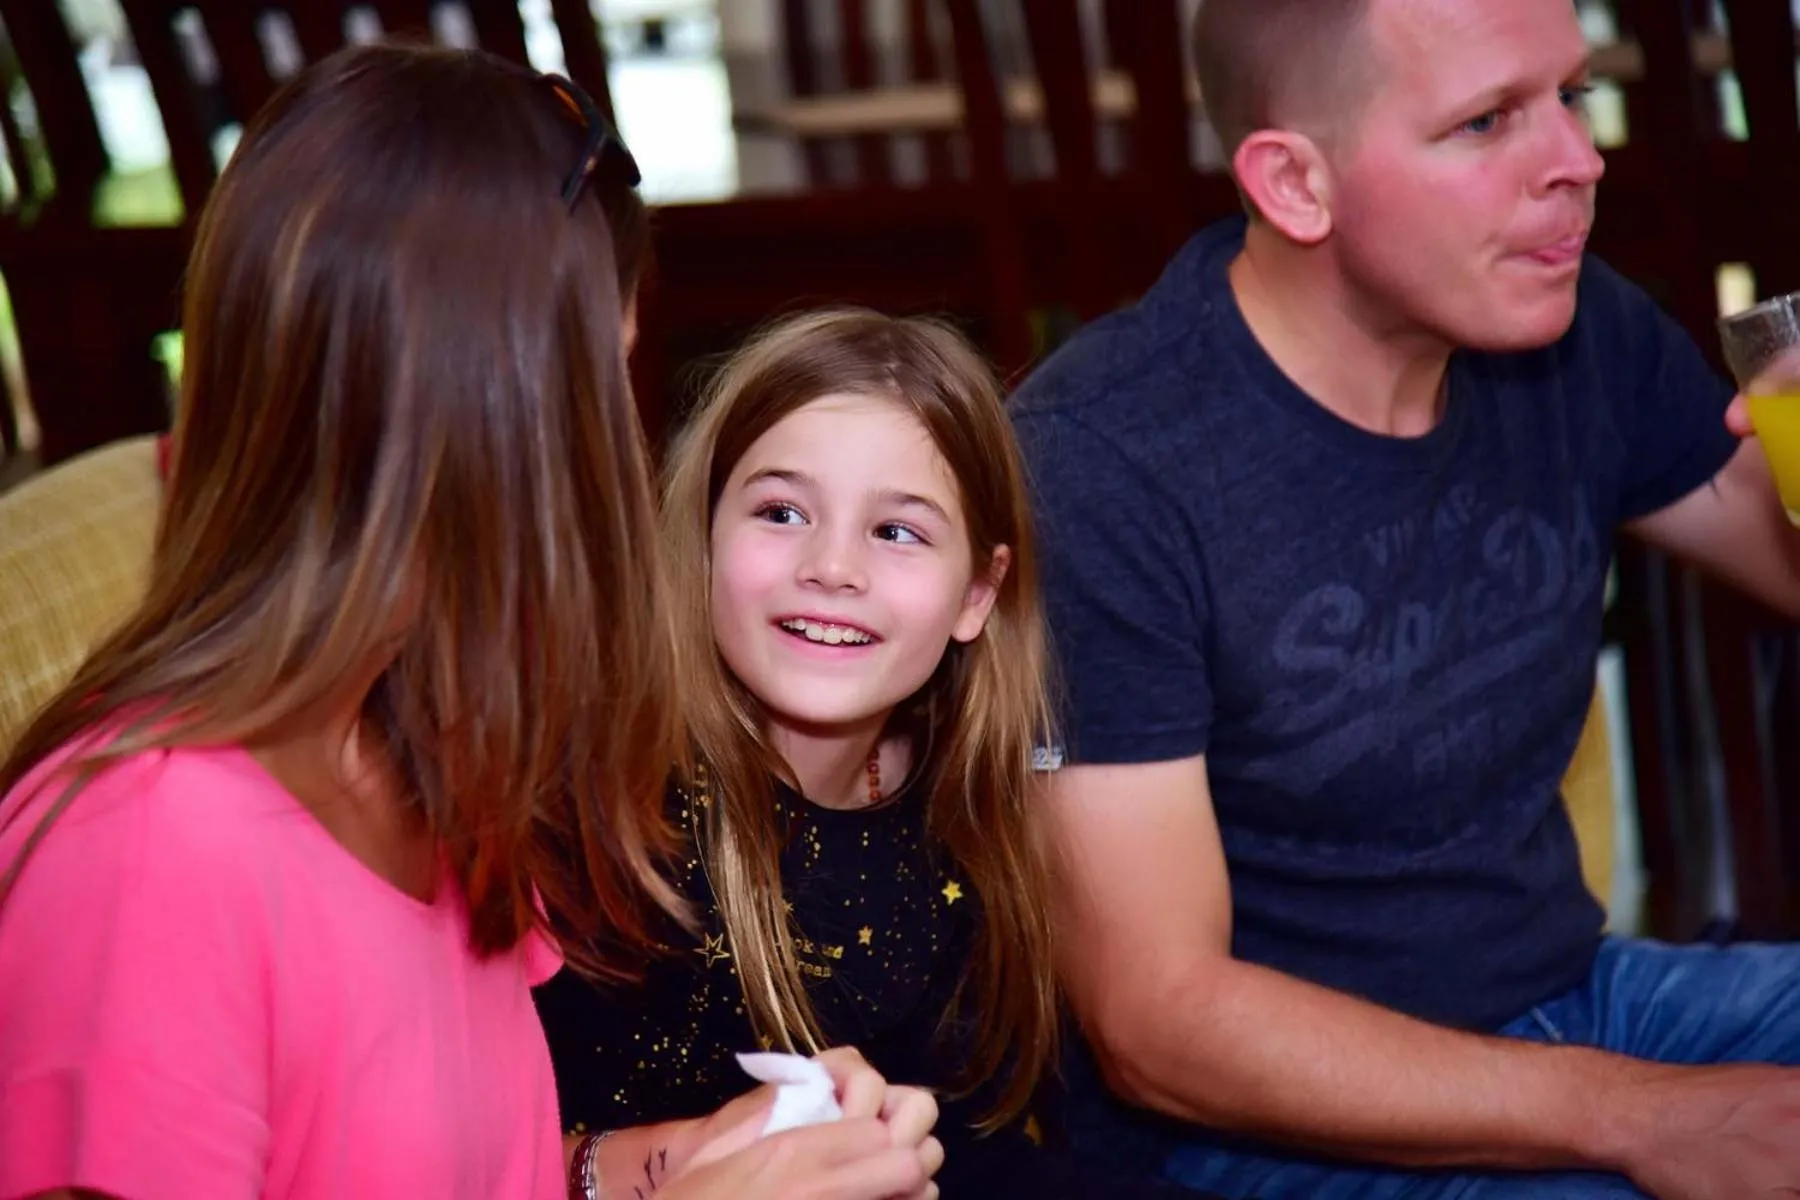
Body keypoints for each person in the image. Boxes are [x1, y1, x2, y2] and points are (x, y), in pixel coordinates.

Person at [0, 44, 938, 1200]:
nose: (620, 458)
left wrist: (652, 1164)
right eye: (602, 388)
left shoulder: (431, 748)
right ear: (491, 424)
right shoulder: (147, 863)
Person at [1010, 1, 1800, 1198]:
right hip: (1269, 1135)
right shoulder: (1102, 465)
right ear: (1294, 184)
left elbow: (1780, 565)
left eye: (1573, 99)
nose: (1579, 162)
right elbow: (1160, 1025)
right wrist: (1646, 1119)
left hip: (1573, 1006)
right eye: (1487, 121)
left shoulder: (1575, 331)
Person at [534, 309, 1194, 1199]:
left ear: (976, 594)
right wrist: (674, 1162)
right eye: (781, 512)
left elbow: (979, 1153)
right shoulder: (599, 812)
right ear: (702, 543)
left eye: (896, 532)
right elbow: (458, 1157)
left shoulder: (955, 810)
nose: (833, 566)